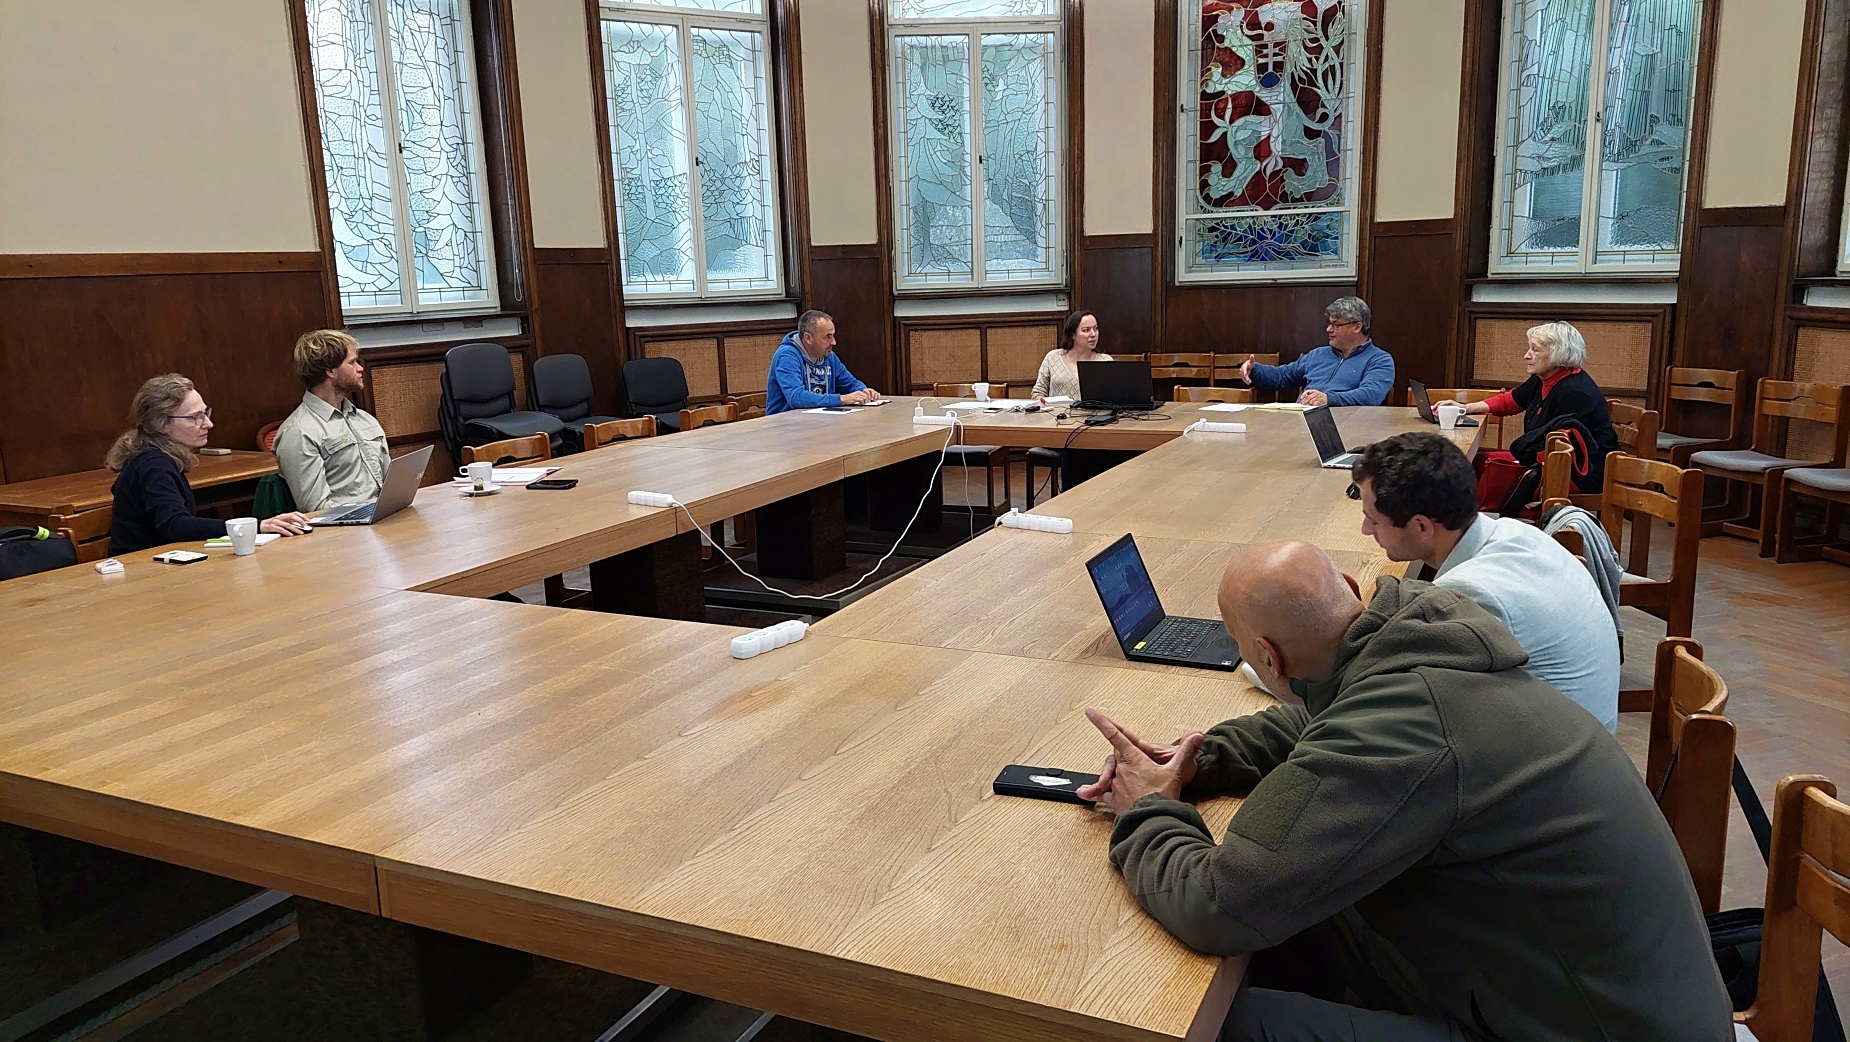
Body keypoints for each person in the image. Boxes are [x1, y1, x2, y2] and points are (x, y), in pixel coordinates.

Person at [1076, 541, 1732, 1042]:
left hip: (1578, 1027)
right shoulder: (1416, 642)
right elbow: (1319, 723)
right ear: (1350, 590)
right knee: (1294, 928)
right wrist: (1197, 760)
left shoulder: (1400, 726)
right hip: (1565, 988)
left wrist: (1149, 807)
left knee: (1218, 1023)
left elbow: (1217, 904)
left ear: (1268, 660)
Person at [1353, 432, 1619, 731]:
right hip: (1587, 728)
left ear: (1421, 526)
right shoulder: (1518, 534)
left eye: (1373, 519)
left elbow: (1415, 706)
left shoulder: (1468, 594)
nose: (1365, 529)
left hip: (1557, 750)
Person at [106, 374, 311, 555]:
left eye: (205, 413)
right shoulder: (153, 465)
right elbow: (175, 525)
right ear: (161, 424)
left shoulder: (157, 459)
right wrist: (257, 526)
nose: (208, 424)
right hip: (140, 569)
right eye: (195, 417)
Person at [1437, 320, 1621, 503]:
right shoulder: (1544, 378)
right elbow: (1510, 401)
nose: (1526, 355)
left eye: (1535, 350)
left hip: (1582, 474)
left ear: (1558, 354)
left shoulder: (1575, 392)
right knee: (1475, 463)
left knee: (1478, 470)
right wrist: (1464, 408)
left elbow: (1557, 450)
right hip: (1548, 461)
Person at [273, 329, 390, 512]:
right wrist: (368, 511)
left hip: (385, 514)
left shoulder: (366, 420)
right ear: (329, 371)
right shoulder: (298, 432)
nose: (360, 368)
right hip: (346, 524)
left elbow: (391, 484)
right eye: (352, 362)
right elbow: (315, 509)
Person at [1240, 297, 1394, 406]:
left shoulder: (1380, 360)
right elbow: (1282, 376)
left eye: (1336, 325)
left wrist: (1328, 399)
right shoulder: (1318, 354)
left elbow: (1370, 395)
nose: (1329, 329)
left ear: (1357, 327)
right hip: (1303, 421)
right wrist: (1254, 370)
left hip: (1349, 426)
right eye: (1329, 323)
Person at [766, 310, 880, 414]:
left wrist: (863, 391)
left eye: (833, 336)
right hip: (785, 425)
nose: (834, 342)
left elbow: (850, 383)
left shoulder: (829, 356)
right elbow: (796, 398)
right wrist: (841, 399)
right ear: (808, 338)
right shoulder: (787, 356)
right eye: (827, 337)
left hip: (819, 422)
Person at [1030, 310, 1109, 400]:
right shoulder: (1053, 357)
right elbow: (1038, 391)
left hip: (1094, 409)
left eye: (1095, 328)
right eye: (1086, 330)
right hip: (1056, 409)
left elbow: (1112, 394)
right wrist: (1041, 400)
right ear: (1072, 334)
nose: (1093, 334)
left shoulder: (1105, 361)